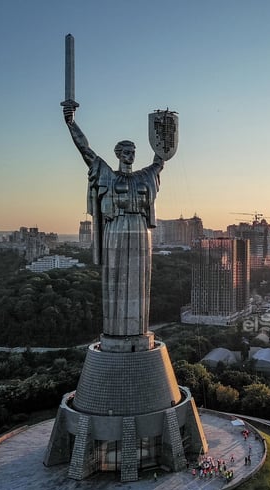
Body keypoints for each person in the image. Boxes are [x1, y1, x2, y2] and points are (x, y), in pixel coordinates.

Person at [63, 105, 164, 338]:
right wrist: (71, 123)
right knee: (115, 276)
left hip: (140, 230)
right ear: (118, 154)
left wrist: (163, 130)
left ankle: (138, 330)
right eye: (126, 152)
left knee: (139, 278)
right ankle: (116, 330)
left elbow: (161, 157)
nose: (131, 155)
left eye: (133, 151)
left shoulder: (145, 176)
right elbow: (85, 150)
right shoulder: (107, 174)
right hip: (115, 228)